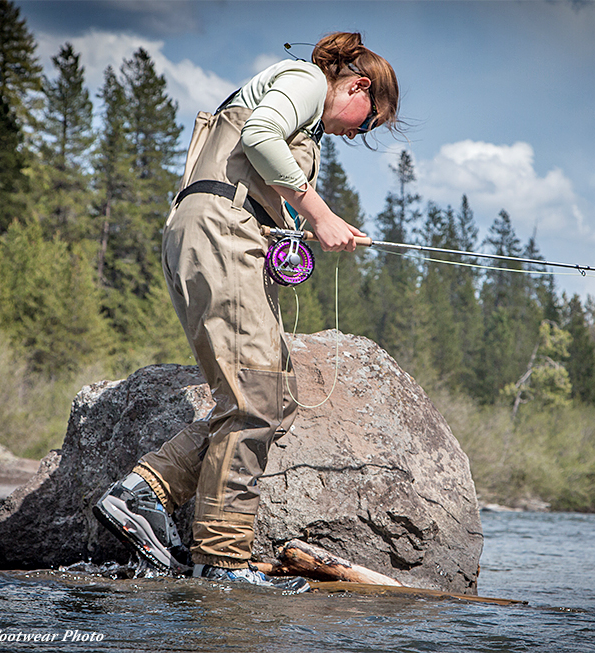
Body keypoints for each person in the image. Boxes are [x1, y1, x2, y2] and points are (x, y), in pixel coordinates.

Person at [93, 32, 400, 592]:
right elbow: (260, 136)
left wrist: (294, 229)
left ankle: (142, 494)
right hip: (219, 231)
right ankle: (221, 559)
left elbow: (256, 162)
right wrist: (320, 212)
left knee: (268, 397)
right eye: (367, 120)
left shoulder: (301, 107)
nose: (357, 132)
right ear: (358, 85)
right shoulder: (307, 80)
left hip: (221, 232)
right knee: (256, 399)